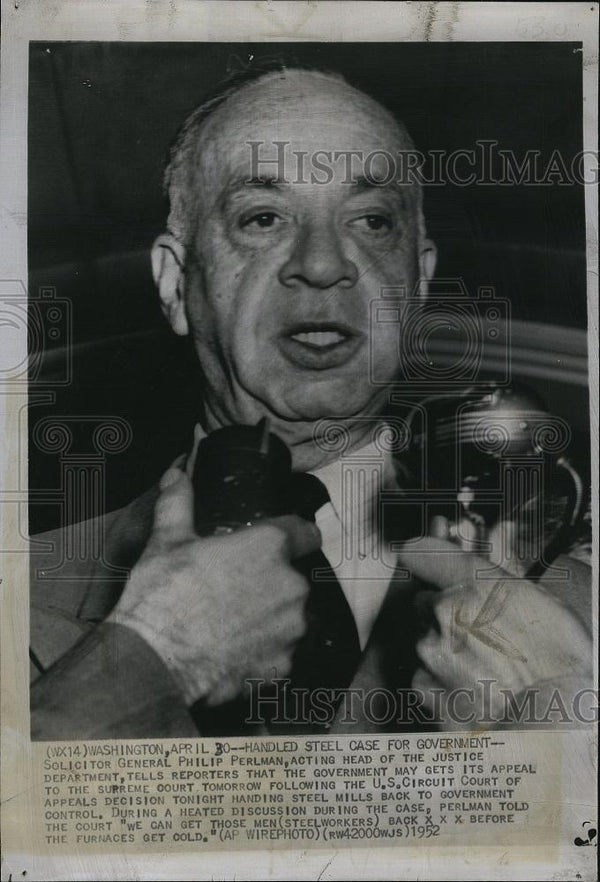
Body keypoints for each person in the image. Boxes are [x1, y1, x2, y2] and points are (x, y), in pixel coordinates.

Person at [29, 64, 593, 740]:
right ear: (176, 284)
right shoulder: (22, 598)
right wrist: (148, 656)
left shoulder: (577, 599)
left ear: (419, 280)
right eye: (262, 218)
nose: (323, 262)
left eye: (372, 221)